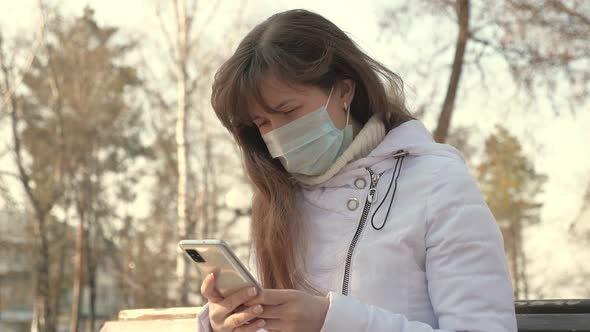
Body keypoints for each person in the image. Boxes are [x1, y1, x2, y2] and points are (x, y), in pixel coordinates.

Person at [197, 9, 517, 332]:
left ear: (344, 91)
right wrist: (226, 323)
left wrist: (331, 322)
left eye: (289, 111)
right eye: (263, 123)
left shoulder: (438, 185)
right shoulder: (276, 201)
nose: (277, 134)